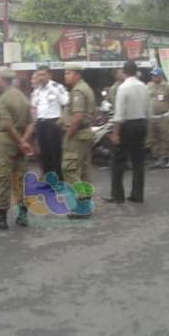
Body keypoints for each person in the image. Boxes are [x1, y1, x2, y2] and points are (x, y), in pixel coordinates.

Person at [0, 67, 34, 230]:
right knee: (20, 180)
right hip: (21, 142)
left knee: (3, 179)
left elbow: (7, 125)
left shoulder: (3, 100)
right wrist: (24, 142)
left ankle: (1, 218)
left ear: (1, 80)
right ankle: (23, 216)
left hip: (5, 143)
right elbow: (31, 124)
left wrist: (21, 142)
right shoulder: (23, 97)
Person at [107, 60, 149, 204]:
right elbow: (148, 111)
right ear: (136, 71)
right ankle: (138, 195)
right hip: (141, 124)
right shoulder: (144, 86)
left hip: (126, 126)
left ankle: (118, 196)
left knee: (118, 161)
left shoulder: (123, 88)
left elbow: (119, 114)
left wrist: (115, 133)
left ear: (124, 72)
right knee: (138, 161)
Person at [61, 63, 96, 219]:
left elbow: (77, 117)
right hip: (85, 134)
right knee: (84, 170)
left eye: (68, 73)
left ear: (77, 74)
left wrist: (67, 135)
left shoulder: (78, 91)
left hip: (77, 135)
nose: (65, 76)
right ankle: (86, 205)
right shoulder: (86, 88)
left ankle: (82, 205)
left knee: (71, 170)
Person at [29, 64, 69, 181]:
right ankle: (49, 179)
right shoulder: (37, 90)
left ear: (49, 75)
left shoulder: (57, 87)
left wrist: (54, 90)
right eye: (39, 75)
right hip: (41, 123)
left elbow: (65, 101)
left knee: (55, 153)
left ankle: (60, 180)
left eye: (43, 74)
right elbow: (33, 107)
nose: (41, 77)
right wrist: (34, 122)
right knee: (44, 154)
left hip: (53, 123)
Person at [146, 68, 169, 169]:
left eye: (155, 75)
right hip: (152, 117)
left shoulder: (167, 86)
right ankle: (157, 158)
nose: (153, 77)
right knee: (153, 138)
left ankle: (167, 158)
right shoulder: (149, 86)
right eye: (152, 75)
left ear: (160, 76)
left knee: (165, 138)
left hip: (164, 116)